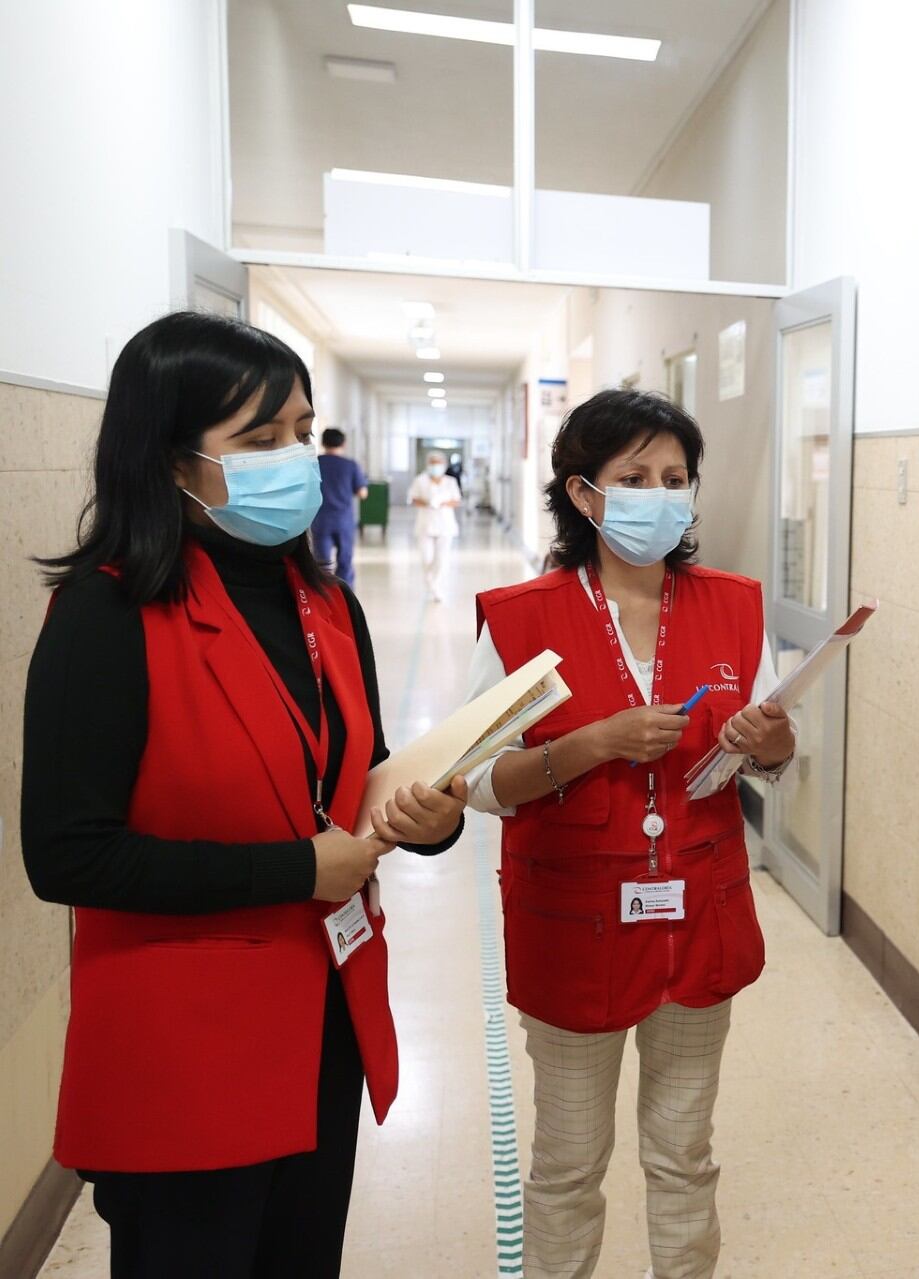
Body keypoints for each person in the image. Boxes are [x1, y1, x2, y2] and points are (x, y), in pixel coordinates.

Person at [20, 311, 467, 1277]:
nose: (294, 460)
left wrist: (430, 820)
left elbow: (361, 768)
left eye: (301, 433)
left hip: (321, 1022)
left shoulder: (328, 603)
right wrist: (300, 867)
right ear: (173, 462)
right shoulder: (107, 613)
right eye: (259, 441)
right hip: (184, 1043)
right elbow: (66, 852)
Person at [463, 389, 795, 1279]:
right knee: (568, 1166)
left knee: (684, 1155)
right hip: (574, 929)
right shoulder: (519, 617)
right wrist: (585, 746)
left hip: (700, 918)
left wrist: (770, 745)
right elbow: (476, 784)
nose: (661, 494)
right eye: (634, 477)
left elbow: (775, 751)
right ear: (583, 493)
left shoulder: (734, 606)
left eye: (676, 477)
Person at [313, 427, 368, 586]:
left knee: (322, 563)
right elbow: (362, 493)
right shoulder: (350, 465)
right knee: (345, 561)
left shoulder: (315, 464)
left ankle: (323, 597)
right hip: (344, 520)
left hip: (320, 519)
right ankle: (345, 597)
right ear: (343, 443)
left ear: (323, 442)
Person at [410, 450, 461, 602]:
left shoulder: (450, 481)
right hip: (425, 525)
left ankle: (435, 586)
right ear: (428, 465)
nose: (435, 467)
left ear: (444, 465)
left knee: (441, 559)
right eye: (432, 464)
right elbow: (413, 499)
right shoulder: (420, 480)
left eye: (438, 464)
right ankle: (432, 586)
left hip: (445, 526)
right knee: (426, 559)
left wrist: (442, 503)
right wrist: (428, 503)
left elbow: (456, 500)